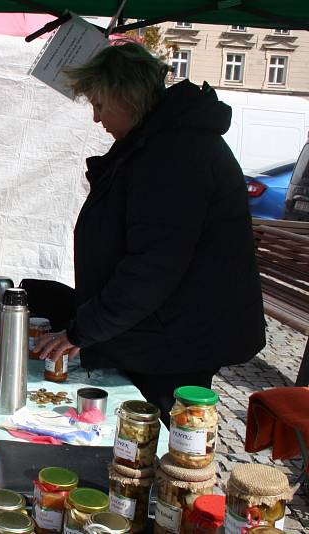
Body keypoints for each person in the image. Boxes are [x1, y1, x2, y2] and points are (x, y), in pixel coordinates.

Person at [34, 42, 266, 425]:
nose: (97, 119)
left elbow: (152, 266)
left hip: (176, 339)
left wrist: (82, 331)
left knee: (152, 439)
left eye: (99, 105)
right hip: (163, 330)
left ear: (126, 97)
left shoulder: (174, 154)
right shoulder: (159, 142)